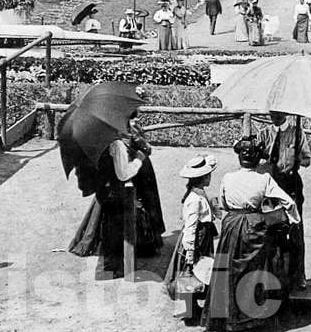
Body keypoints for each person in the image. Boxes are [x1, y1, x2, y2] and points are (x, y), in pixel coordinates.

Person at [202, 136, 299, 332]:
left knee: (227, 268)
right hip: (254, 225)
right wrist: (293, 221)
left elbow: (224, 204)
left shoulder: (228, 178)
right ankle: (252, 316)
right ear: (258, 160)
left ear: (240, 158)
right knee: (255, 269)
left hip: (232, 225)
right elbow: (289, 202)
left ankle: (225, 316)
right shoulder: (264, 179)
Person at [67, 112, 165, 279]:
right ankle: (116, 267)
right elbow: (123, 173)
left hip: (105, 185)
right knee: (119, 225)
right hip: (118, 185)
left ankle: (112, 266)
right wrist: (139, 159)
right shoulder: (118, 144)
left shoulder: (100, 137)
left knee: (110, 225)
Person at [257, 111, 311, 291]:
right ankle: (272, 276)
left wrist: (299, 159)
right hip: (270, 186)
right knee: (270, 230)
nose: (275, 116)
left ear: (286, 113)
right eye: (272, 113)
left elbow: (307, 160)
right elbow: (254, 158)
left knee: (295, 230)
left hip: (291, 185)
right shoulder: (264, 133)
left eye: (279, 113)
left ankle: (298, 276)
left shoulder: (297, 133)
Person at [163, 154, 219, 314]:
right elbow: (191, 225)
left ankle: (194, 307)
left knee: (200, 270)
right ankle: (189, 309)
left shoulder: (199, 193)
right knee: (191, 269)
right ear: (202, 178)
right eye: (208, 175)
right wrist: (189, 249)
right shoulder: (194, 199)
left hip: (203, 236)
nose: (210, 178)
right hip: (196, 238)